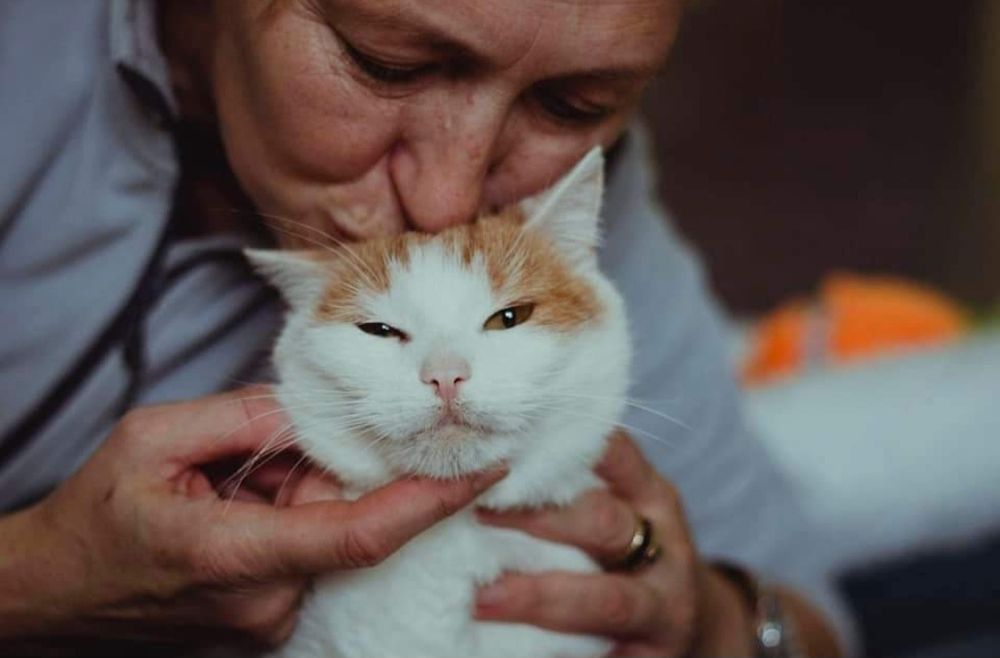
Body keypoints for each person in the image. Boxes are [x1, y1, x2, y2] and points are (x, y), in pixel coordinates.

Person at [0, 0, 852, 655]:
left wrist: (702, 621)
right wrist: (39, 579)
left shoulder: (572, 203)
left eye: (570, 101)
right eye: (388, 63)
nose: (449, 199)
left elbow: (814, 618)